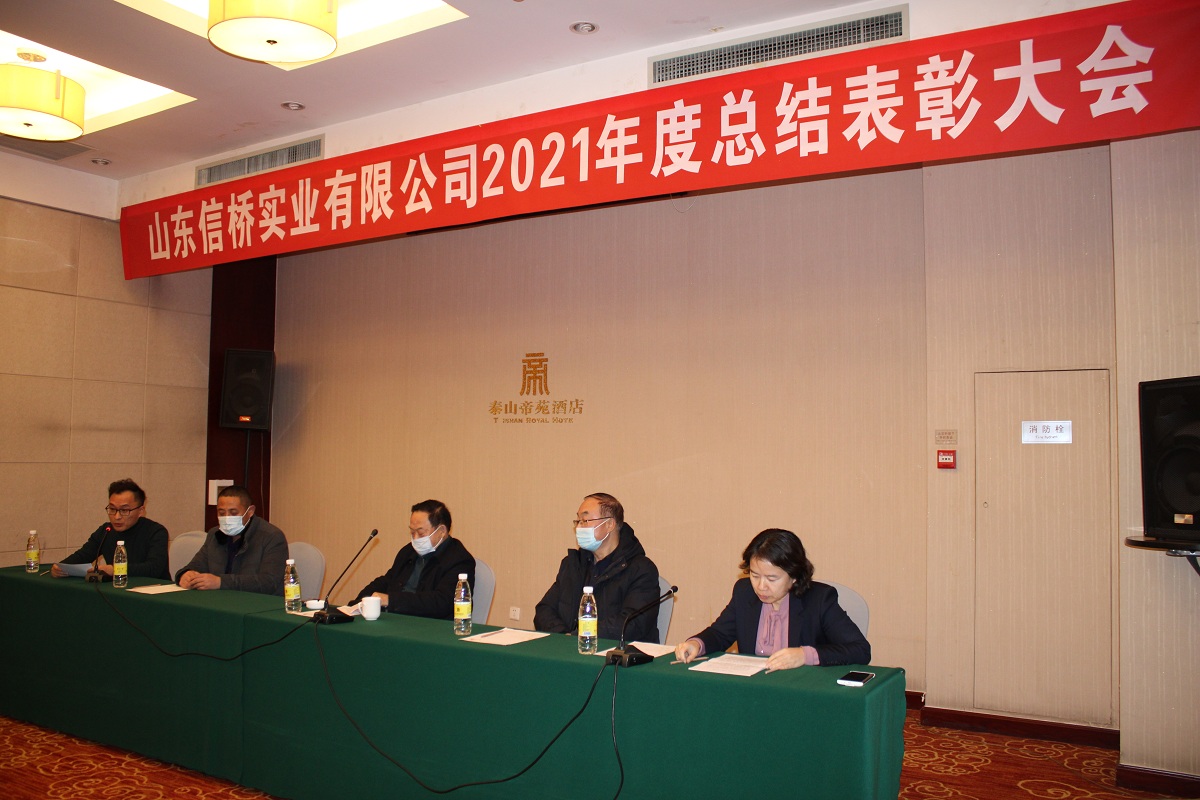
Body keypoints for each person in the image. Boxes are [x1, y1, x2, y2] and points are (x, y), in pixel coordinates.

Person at [674, 528, 870, 671]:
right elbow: (720, 634)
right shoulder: (744, 592)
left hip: (802, 691)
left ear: (794, 576)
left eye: (772, 578)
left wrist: (805, 655)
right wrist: (697, 644)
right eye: (754, 575)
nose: (761, 586)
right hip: (754, 689)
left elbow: (860, 650)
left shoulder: (819, 600)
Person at [534, 492, 661, 643]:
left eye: (585, 520)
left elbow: (632, 624)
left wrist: (579, 636)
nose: (579, 527)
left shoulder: (641, 569)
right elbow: (544, 610)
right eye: (578, 521)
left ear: (609, 524)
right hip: (569, 649)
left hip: (615, 653)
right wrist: (564, 637)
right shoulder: (573, 564)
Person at [354, 499, 475, 618]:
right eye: (412, 532)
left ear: (442, 531)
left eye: (421, 533)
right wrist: (360, 601)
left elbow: (442, 602)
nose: (415, 539)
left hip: (430, 624)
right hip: (397, 618)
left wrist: (391, 600)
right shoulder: (408, 552)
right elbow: (388, 580)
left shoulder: (460, 560)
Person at [175, 485, 288, 595]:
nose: (227, 517)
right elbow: (197, 565)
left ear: (250, 511)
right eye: (221, 513)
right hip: (218, 599)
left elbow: (269, 582)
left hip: (256, 601)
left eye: (233, 513)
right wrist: (186, 574)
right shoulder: (215, 534)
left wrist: (221, 582)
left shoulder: (272, 536)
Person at [52, 478, 169, 580]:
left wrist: (116, 569)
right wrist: (61, 567)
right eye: (112, 509)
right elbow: (82, 556)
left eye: (124, 510)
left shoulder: (156, 532)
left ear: (141, 511)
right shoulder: (106, 531)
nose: (117, 517)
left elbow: (154, 568)